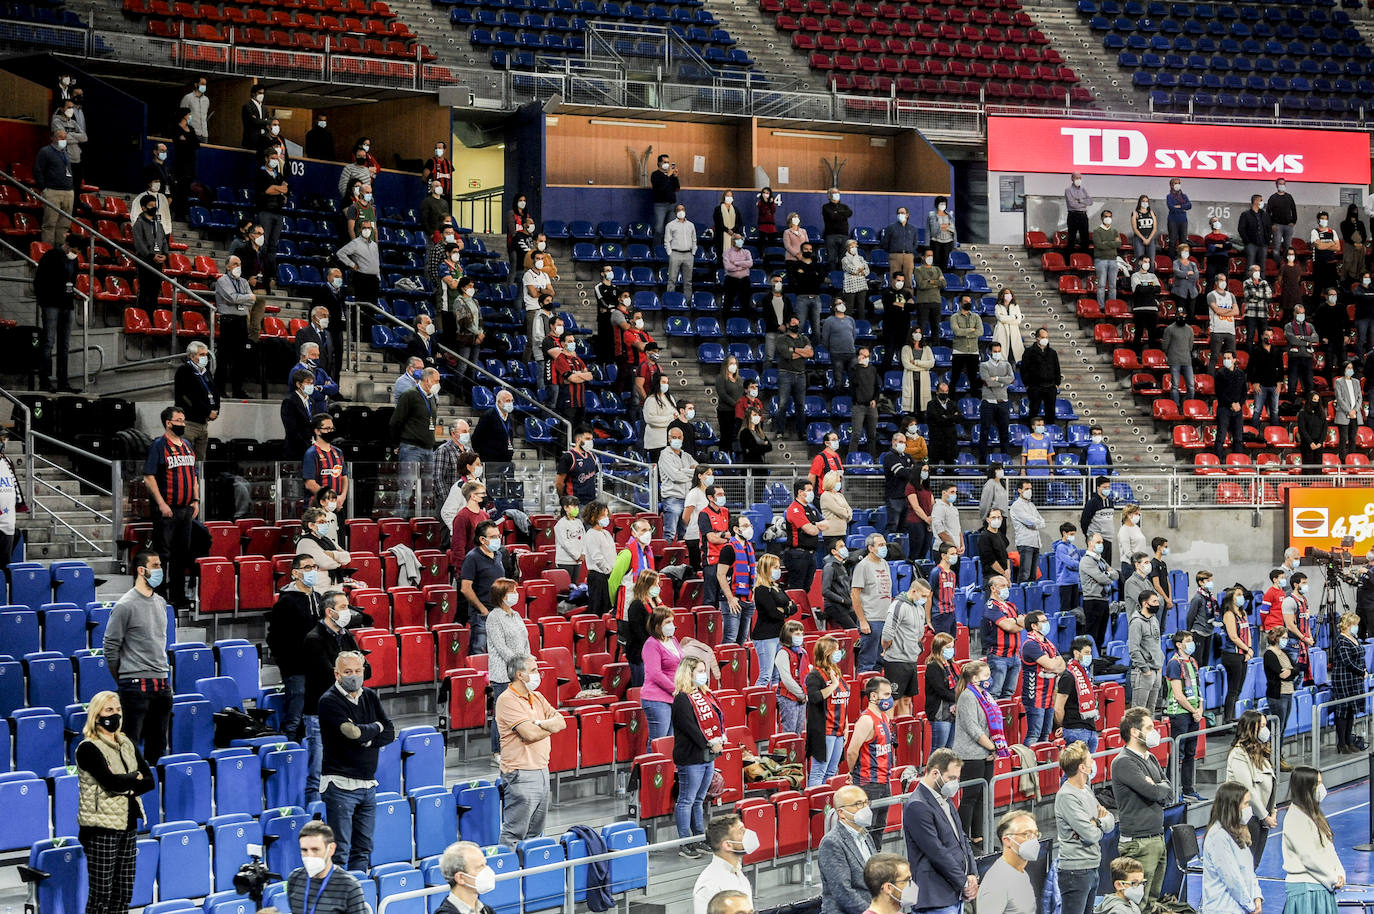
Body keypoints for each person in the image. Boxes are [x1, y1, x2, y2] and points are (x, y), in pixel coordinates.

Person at [75, 690, 155, 914]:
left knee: (123, 893)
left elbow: (149, 781)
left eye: (118, 709)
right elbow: (111, 782)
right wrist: (131, 780)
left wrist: (127, 784)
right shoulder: (88, 748)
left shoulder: (126, 742)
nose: (115, 714)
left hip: (128, 824)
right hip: (101, 828)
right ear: (96, 715)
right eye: (109, 710)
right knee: (101, 895)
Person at [319, 649, 394, 869]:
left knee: (363, 849)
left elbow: (389, 731)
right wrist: (375, 728)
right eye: (348, 671)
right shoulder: (329, 701)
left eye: (358, 670)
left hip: (368, 784)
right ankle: (339, 897)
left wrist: (368, 738)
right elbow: (352, 734)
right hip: (340, 785)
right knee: (340, 849)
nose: (354, 675)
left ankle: (358, 893)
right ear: (337, 674)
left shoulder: (370, 696)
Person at [102, 551, 172, 768]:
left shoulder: (161, 602)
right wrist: (123, 679)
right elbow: (110, 647)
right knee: (130, 749)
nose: (160, 569)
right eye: (156, 565)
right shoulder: (125, 605)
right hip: (134, 686)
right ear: (142, 570)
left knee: (158, 747)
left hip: (162, 685)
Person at [300, 592, 362, 805]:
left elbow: (366, 669)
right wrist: (352, 673)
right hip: (320, 715)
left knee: (345, 771)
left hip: (347, 714)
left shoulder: (346, 635)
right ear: (330, 611)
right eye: (344, 606)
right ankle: (315, 818)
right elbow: (328, 676)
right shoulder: (314, 639)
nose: (348, 611)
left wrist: (351, 673)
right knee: (317, 773)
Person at [494, 654, 561, 848]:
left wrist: (539, 724)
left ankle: (531, 876)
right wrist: (548, 727)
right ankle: (507, 875)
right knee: (514, 833)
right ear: (519, 675)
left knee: (535, 834)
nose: (537, 675)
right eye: (533, 671)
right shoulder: (507, 700)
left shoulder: (537, 697)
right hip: (520, 774)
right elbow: (529, 734)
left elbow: (561, 722)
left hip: (541, 771)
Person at [903, 748, 977, 914]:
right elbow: (936, 852)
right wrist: (964, 883)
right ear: (935, 773)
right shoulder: (917, 805)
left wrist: (972, 874)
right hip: (935, 897)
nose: (954, 783)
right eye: (951, 778)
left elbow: (962, 838)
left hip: (954, 892)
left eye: (957, 778)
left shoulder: (945, 799)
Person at [1112, 707, 1171, 903]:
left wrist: (1157, 786)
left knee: (1152, 901)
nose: (1155, 732)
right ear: (1134, 732)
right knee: (1138, 902)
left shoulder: (1151, 758)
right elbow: (1153, 792)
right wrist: (1157, 787)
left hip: (1157, 837)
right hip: (1139, 843)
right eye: (1149, 727)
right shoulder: (1124, 762)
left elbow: (1167, 790)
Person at [143, 407, 197, 610]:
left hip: (186, 509)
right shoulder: (158, 445)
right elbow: (149, 476)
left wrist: (196, 500)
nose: (182, 424)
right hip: (167, 509)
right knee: (163, 554)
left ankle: (178, 595)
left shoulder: (188, 445)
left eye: (184, 420)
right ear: (168, 423)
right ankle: (159, 594)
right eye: (178, 421)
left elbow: (193, 475)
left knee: (182, 554)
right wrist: (161, 503)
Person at [269, 555, 326, 741]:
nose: (313, 571)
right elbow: (274, 637)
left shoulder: (318, 598)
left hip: (316, 667)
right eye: (307, 567)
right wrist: (287, 664)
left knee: (314, 715)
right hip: (295, 667)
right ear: (295, 573)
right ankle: (289, 750)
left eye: (314, 566)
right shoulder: (286, 602)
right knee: (294, 715)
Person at [1055, 741, 1113, 914]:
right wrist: (1097, 822)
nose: (1093, 762)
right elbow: (1090, 834)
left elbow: (1109, 820)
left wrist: (1097, 822)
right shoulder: (1066, 796)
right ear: (1082, 767)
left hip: (1092, 866)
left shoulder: (1086, 790)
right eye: (1090, 759)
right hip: (1075, 871)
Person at [953, 659, 1007, 844]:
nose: (989, 679)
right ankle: (962, 837)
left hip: (986, 753)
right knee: (970, 797)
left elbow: (993, 726)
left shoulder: (985, 695)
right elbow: (973, 728)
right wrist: (993, 747)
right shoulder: (967, 696)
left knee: (982, 797)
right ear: (975, 678)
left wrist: (994, 747)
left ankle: (978, 836)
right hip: (971, 754)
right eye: (986, 676)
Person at [675, 657, 725, 854]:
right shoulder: (681, 699)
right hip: (690, 757)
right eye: (700, 671)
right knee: (686, 800)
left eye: (705, 670)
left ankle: (698, 837)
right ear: (689, 674)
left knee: (699, 799)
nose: (704, 674)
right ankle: (685, 842)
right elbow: (691, 728)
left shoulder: (707, 695)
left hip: (707, 756)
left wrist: (718, 740)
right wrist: (709, 744)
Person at [1281, 766, 1344, 914]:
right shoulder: (1295, 818)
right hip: (1306, 890)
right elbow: (1309, 857)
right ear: (1306, 787)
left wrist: (1340, 872)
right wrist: (1332, 878)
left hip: (1322, 886)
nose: (1321, 788)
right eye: (1317, 784)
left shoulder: (1314, 814)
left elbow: (1328, 848)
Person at [844, 677, 895, 846]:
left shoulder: (884, 717)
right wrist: (852, 772)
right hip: (868, 782)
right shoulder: (866, 720)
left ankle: (876, 863)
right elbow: (852, 751)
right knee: (866, 829)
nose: (890, 698)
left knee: (879, 827)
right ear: (873, 696)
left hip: (884, 780)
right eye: (886, 694)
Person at [485, 578, 531, 762]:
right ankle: (498, 751)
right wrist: (518, 666)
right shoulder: (493, 617)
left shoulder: (517, 615)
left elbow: (525, 641)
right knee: (502, 715)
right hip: (503, 674)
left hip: (521, 672)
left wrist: (528, 662)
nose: (516, 594)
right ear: (502, 596)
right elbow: (501, 647)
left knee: (520, 712)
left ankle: (516, 747)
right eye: (512, 591)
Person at [1200, 781, 1263, 914]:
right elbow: (1231, 878)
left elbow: (1248, 870)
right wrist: (1249, 905)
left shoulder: (1238, 832)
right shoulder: (1218, 836)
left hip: (1241, 907)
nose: (1248, 809)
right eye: (1245, 804)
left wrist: (1257, 896)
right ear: (1233, 807)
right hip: (1223, 908)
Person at [1225, 709, 1277, 867]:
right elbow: (1248, 789)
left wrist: (1272, 810)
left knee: (1254, 863)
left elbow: (1271, 783)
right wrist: (1264, 816)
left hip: (1262, 816)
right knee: (1245, 863)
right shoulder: (1238, 754)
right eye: (1261, 725)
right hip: (1247, 817)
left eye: (1265, 725)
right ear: (1250, 728)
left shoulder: (1260, 753)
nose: (1265, 730)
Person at [32, 231, 80, 394]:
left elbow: (72, 282)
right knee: (48, 343)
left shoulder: (75, 261)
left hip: (67, 305)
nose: (76, 254)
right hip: (51, 304)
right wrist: (44, 301)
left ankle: (62, 382)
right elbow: (39, 281)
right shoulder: (51, 256)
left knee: (64, 345)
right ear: (67, 246)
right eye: (75, 250)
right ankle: (44, 381)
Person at [391, 367, 441, 518]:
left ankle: (425, 524)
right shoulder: (410, 395)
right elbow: (396, 421)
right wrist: (396, 444)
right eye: (437, 381)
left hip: (428, 449)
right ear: (427, 380)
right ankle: (398, 524)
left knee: (428, 490)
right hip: (411, 448)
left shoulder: (431, 397)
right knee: (405, 488)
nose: (439, 384)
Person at [818, 785, 877, 914]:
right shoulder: (832, 842)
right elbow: (842, 891)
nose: (865, 808)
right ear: (841, 812)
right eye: (858, 804)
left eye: (866, 802)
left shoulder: (867, 837)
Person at [1163, 630, 1204, 801]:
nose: (1191, 643)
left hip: (1194, 713)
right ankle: (1170, 792)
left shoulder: (1193, 661)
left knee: (1190, 753)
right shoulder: (1174, 664)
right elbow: (1178, 694)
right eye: (1187, 641)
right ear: (1179, 644)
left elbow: (1198, 688)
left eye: (1191, 640)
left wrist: (1200, 708)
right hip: (1180, 714)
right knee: (1177, 754)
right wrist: (1193, 711)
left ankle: (1188, 789)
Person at [806, 635, 850, 787]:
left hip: (839, 730)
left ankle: (826, 804)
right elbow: (814, 698)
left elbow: (844, 700)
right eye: (835, 650)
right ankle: (815, 805)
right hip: (824, 730)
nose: (839, 653)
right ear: (826, 652)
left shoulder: (837, 672)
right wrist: (833, 686)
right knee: (819, 772)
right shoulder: (815, 675)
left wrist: (847, 726)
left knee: (831, 772)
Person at [977, 810, 1040, 914]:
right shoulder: (996, 882)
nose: (1034, 840)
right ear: (1007, 840)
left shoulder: (1021, 872)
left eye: (1036, 834)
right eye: (1026, 834)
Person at [882, 578, 928, 718]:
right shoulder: (898, 605)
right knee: (892, 701)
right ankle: (888, 735)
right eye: (923, 596)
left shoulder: (919, 608)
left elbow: (919, 634)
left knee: (907, 700)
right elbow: (887, 633)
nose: (925, 599)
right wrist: (887, 650)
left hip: (911, 661)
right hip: (896, 661)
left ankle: (903, 733)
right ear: (913, 591)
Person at [1019, 610, 1064, 744]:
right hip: (1035, 697)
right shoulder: (1030, 644)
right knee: (1034, 734)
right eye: (1043, 621)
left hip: (1049, 696)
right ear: (1033, 626)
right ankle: (1030, 764)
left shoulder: (1048, 643)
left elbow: (1062, 666)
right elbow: (1051, 665)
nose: (1047, 624)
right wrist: (1052, 665)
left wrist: (1052, 665)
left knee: (1045, 734)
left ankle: (1042, 762)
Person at [459, 521, 504, 655]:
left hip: (498, 613)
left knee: (497, 653)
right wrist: (483, 610)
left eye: (498, 536)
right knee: (478, 651)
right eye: (493, 537)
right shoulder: (472, 558)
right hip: (482, 615)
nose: (497, 540)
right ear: (482, 540)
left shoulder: (499, 555)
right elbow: (465, 588)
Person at [691, 813, 754, 909]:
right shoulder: (709, 886)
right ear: (728, 845)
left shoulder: (738, 873)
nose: (747, 834)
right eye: (741, 831)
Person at [850, 533, 891, 672]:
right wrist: (862, 620)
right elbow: (855, 595)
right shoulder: (863, 566)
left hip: (885, 619)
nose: (884, 547)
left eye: (884, 544)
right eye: (880, 545)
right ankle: (865, 691)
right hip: (871, 620)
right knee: (868, 660)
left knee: (881, 660)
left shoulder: (884, 563)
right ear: (870, 548)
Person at [642, 605, 684, 740]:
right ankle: (652, 762)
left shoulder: (673, 640)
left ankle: (665, 762)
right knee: (658, 741)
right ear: (657, 625)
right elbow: (655, 674)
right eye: (667, 622)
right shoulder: (651, 644)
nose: (672, 625)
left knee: (670, 741)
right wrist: (676, 689)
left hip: (674, 697)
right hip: (656, 699)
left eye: (672, 621)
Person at [749, 552, 792, 683]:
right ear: (766, 569)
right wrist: (786, 609)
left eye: (779, 567)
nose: (778, 570)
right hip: (765, 637)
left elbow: (794, 606)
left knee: (777, 675)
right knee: (766, 675)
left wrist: (784, 609)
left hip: (779, 635)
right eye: (775, 567)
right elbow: (773, 613)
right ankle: (757, 702)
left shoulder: (777, 587)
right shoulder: (761, 590)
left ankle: (774, 702)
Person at [1331, 610, 1367, 755]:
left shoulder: (1354, 638)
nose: (1356, 627)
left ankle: (1348, 740)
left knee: (1351, 710)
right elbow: (1347, 662)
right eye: (1354, 624)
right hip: (1344, 679)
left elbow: (1360, 656)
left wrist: (1364, 670)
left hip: (1355, 679)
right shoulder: (1341, 640)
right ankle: (1341, 744)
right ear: (1347, 625)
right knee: (1343, 710)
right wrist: (1361, 672)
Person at [783, 479, 827, 593]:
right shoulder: (794, 509)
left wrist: (813, 525)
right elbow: (811, 531)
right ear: (800, 492)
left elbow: (826, 524)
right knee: (796, 588)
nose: (811, 493)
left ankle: (801, 610)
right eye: (809, 490)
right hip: (797, 555)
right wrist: (816, 526)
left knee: (806, 588)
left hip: (811, 554)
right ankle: (794, 610)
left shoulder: (811, 508)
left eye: (812, 490)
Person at [34, 128, 74, 247]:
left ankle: (59, 251)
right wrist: (44, 189)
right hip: (52, 192)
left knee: (64, 225)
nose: (64, 140)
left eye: (65, 137)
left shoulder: (65, 153)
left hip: (68, 192)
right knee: (50, 223)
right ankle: (48, 251)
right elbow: (38, 170)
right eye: (61, 137)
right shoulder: (45, 151)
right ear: (53, 138)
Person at [435, 841, 498, 914]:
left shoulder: (486, 910)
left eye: (485, 864)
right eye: (479, 867)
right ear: (460, 878)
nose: (486, 871)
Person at [978, 342, 1013, 464]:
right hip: (988, 402)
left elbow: (1011, 379)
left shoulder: (1006, 364)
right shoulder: (984, 365)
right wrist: (1003, 382)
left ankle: (1005, 460)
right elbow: (988, 382)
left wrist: (997, 378)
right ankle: (982, 461)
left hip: (1003, 402)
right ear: (990, 352)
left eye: (999, 351)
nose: (997, 353)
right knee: (984, 432)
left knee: (1004, 432)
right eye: (995, 351)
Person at [924, 632, 958, 751]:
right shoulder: (933, 666)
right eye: (948, 647)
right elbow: (940, 690)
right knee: (938, 749)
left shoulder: (952, 665)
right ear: (939, 648)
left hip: (953, 713)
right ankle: (932, 770)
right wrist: (959, 698)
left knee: (949, 749)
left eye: (952, 647)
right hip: (940, 713)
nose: (951, 650)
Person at [1021, 327, 1061, 426]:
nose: (1045, 339)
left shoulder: (1052, 353)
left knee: (1050, 412)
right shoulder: (1029, 352)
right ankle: (1031, 432)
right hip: (1035, 387)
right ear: (1037, 338)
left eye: (1047, 337)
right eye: (1043, 337)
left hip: (1050, 387)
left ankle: (1050, 433)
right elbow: (1024, 369)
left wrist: (1057, 384)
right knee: (1033, 411)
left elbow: (1057, 369)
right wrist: (1027, 384)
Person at [775, 619, 808, 735]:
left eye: (802, 633)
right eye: (797, 634)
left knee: (799, 731)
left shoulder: (802, 652)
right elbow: (787, 679)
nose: (801, 636)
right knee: (789, 732)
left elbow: (805, 674)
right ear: (788, 635)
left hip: (802, 696)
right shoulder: (783, 653)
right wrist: (801, 694)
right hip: (788, 697)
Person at [1010, 481, 1046, 583]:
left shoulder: (1031, 505)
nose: (1029, 491)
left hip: (1035, 542)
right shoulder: (1016, 506)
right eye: (1026, 489)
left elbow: (1042, 521)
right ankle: (1022, 597)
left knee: (1033, 575)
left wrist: (1036, 523)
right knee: (1025, 574)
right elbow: (1029, 522)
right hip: (1025, 542)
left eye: (1030, 489)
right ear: (1019, 491)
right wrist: (1037, 523)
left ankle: (1031, 597)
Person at [473, 389, 516, 465]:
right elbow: (476, 439)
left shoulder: (510, 417)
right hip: (490, 462)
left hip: (506, 461)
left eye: (512, 401)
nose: (511, 403)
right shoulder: (488, 416)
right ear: (499, 402)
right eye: (508, 401)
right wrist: (484, 457)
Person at [949, 293, 980, 395]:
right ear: (960, 303)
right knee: (954, 377)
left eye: (969, 302)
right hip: (959, 350)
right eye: (966, 302)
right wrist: (971, 330)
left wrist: (965, 333)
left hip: (973, 351)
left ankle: (975, 400)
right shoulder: (954, 317)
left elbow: (980, 332)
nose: (968, 303)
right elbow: (956, 332)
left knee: (973, 379)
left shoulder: (976, 317)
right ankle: (951, 400)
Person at [822, 304, 857, 394]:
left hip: (851, 352)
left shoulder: (850, 319)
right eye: (838, 303)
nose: (841, 305)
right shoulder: (829, 321)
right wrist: (832, 349)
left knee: (854, 377)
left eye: (842, 303)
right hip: (837, 354)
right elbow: (825, 339)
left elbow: (853, 335)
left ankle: (853, 399)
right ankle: (839, 400)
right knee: (838, 379)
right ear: (834, 307)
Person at [1286, 303, 1319, 398]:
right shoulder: (1289, 326)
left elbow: (1316, 338)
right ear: (1294, 313)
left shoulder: (1310, 326)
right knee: (1292, 384)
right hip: (1294, 358)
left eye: (1303, 313)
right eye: (1299, 313)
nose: (1301, 315)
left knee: (1309, 384)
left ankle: (1309, 405)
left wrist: (1302, 337)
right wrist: (1307, 343)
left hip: (1307, 358)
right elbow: (1292, 340)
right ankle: (1291, 404)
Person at [665, 205, 697, 301]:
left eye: (682, 209)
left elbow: (694, 239)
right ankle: (670, 301)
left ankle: (687, 301)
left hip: (688, 254)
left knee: (688, 281)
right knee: (672, 280)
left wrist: (693, 252)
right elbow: (667, 241)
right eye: (678, 210)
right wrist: (670, 253)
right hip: (675, 254)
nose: (681, 211)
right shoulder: (670, 225)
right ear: (675, 212)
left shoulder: (691, 225)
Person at [1249, 328, 1281, 423]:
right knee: (1257, 410)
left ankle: (1274, 432)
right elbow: (1250, 368)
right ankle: (1253, 433)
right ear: (1262, 336)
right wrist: (1254, 382)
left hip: (1274, 385)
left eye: (1271, 335)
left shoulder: (1276, 350)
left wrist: (1280, 382)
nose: (1269, 337)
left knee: (1275, 411)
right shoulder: (1256, 350)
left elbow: (1281, 368)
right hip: (1261, 386)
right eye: (1267, 335)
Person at [978, 516, 1011, 602]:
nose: (997, 519)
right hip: (991, 577)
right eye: (993, 517)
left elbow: (1006, 555)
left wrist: (1008, 572)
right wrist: (1004, 574)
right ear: (988, 519)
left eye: (999, 517)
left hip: (1003, 577)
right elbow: (991, 561)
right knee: (993, 606)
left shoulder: (1000, 535)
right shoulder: (984, 536)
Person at [913, 255, 944, 344]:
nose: (930, 257)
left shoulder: (937, 269)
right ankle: (920, 346)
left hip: (936, 302)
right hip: (923, 302)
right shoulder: (918, 270)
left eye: (931, 255)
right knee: (921, 327)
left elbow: (943, 283)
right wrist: (936, 283)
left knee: (936, 327)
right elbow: (921, 285)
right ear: (923, 257)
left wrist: (930, 281)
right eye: (928, 255)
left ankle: (935, 347)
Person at [1334, 360, 1362, 458]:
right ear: (1344, 369)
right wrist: (1349, 411)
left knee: (1352, 439)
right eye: (1348, 368)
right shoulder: (1338, 382)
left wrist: (1355, 410)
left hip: (1355, 414)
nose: (1350, 370)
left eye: (1351, 368)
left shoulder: (1356, 382)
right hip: (1343, 414)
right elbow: (1339, 398)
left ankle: (1352, 458)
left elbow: (1359, 397)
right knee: (1343, 438)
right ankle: (1342, 460)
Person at [1093, 209, 1120, 307]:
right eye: (1106, 216)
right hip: (1101, 260)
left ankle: (1112, 306)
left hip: (1113, 260)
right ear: (1102, 218)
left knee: (1113, 286)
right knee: (1101, 285)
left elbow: (1118, 243)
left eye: (1110, 216)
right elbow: (1099, 245)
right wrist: (1111, 244)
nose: (1108, 218)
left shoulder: (1115, 231)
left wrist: (1106, 243)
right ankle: (1101, 307)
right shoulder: (1097, 231)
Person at [1268, 178, 1298, 262]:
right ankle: (1278, 266)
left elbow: (1294, 210)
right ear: (1276, 185)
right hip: (1277, 226)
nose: (1282, 185)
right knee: (1276, 248)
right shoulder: (1273, 198)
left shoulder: (1289, 197)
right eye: (1280, 183)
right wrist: (1272, 224)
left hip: (1288, 226)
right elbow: (1268, 213)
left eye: (1283, 184)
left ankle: (1286, 264)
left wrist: (1293, 221)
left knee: (1288, 248)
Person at [1238, 194, 1270, 269]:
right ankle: (1248, 280)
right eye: (1261, 200)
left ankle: (1262, 280)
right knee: (1250, 265)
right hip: (1251, 244)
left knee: (1262, 266)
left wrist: (1267, 240)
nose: (1262, 202)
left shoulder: (1265, 215)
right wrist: (1247, 241)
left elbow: (1269, 228)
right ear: (1255, 201)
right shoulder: (1245, 214)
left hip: (1263, 244)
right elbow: (1241, 229)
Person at [650, 154, 680, 237]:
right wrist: (668, 176)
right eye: (665, 162)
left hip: (672, 205)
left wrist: (675, 177)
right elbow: (660, 188)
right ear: (659, 163)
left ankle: (669, 248)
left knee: (671, 229)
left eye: (668, 162)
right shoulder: (655, 174)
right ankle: (656, 248)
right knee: (659, 228)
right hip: (660, 205)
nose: (667, 164)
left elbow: (677, 188)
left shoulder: (670, 175)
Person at [992, 287, 1024, 364]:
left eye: (1009, 293)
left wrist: (1006, 319)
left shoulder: (1016, 306)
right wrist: (1013, 317)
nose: (1008, 295)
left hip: (1014, 334)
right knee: (1002, 359)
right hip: (1002, 334)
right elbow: (1001, 318)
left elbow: (1018, 320)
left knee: (1013, 358)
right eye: (1006, 293)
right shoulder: (998, 306)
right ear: (1002, 295)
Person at [927, 197, 957, 268]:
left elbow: (953, 228)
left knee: (945, 263)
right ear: (936, 204)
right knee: (936, 263)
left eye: (944, 203)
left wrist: (944, 226)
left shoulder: (950, 215)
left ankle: (943, 278)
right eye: (941, 203)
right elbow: (932, 230)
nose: (943, 205)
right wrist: (944, 226)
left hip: (948, 242)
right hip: (936, 242)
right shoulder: (932, 215)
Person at [1131, 195, 1159, 265]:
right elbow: (1135, 228)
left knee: (1151, 260)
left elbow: (1155, 228)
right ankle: (1138, 275)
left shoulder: (1151, 212)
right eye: (1143, 201)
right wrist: (1143, 239)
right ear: (1139, 202)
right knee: (1140, 260)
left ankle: (1151, 275)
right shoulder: (1135, 213)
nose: (1145, 203)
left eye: (1146, 201)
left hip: (1150, 238)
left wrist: (1149, 239)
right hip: (1139, 238)